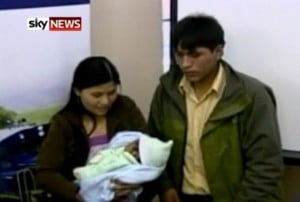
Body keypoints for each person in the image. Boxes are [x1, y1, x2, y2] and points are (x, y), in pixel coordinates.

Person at [145, 14, 284, 202]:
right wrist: (165, 186)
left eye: (195, 55)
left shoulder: (252, 95)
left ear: (218, 52)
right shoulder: (167, 91)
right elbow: (153, 143)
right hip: (181, 195)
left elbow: (265, 164)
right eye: (180, 55)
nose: (185, 64)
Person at [35, 56, 147, 202]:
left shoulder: (126, 108)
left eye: (112, 92)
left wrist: (137, 179)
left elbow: (150, 150)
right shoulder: (64, 123)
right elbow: (44, 174)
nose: (105, 101)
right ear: (77, 91)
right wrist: (81, 193)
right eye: (96, 95)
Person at [73, 131, 173, 202]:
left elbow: (112, 168)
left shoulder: (130, 164)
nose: (104, 102)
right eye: (133, 143)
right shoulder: (121, 147)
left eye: (135, 149)